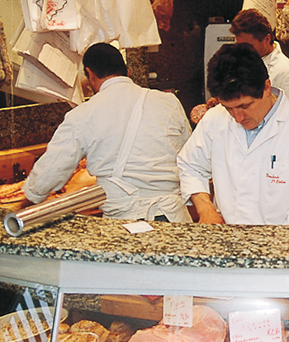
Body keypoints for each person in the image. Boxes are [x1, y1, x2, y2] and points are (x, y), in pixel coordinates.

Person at [22, 42, 192, 222]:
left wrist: (28, 201)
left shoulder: (82, 115)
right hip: (176, 220)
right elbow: (191, 158)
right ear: (127, 72)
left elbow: (52, 168)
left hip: (126, 224)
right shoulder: (169, 102)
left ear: (90, 75)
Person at [177, 42, 289, 225]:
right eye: (228, 108)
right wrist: (205, 209)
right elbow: (190, 165)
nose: (237, 117)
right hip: (227, 243)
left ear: (266, 87)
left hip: (282, 248)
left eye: (245, 106)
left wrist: (269, 249)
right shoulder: (215, 119)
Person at [229, 8, 289, 107]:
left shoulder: (285, 72)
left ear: (267, 39)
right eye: (239, 45)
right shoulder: (244, 62)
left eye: (248, 46)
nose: (243, 51)